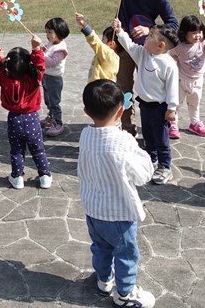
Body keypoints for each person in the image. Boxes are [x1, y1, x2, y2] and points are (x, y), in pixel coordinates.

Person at [67, 0, 178, 137]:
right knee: (123, 88)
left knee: (152, 90)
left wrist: (150, 29)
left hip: (148, 50)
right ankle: (128, 129)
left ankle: (167, 119)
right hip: (125, 46)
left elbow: (173, 23)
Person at [78, 80, 155, 308]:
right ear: (121, 111)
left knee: (100, 247)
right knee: (126, 254)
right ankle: (125, 295)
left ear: (86, 111)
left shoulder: (85, 135)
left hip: (93, 209)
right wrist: (137, 149)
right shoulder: (124, 141)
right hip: (118, 213)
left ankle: (104, 281)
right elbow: (143, 175)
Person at [113, 18, 179, 186]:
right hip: (144, 105)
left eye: (150, 37)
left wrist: (171, 109)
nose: (145, 39)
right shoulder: (142, 54)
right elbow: (129, 45)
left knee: (161, 138)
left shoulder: (169, 64)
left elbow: (172, 88)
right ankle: (151, 160)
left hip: (160, 108)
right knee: (148, 136)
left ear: (161, 45)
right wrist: (120, 31)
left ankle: (165, 166)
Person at [0, 37, 53, 190]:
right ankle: (45, 176)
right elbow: (40, 65)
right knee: (38, 149)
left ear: (8, 66)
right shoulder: (34, 78)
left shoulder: (4, 78)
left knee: (17, 150)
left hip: (14, 119)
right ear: (28, 65)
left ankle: (17, 177)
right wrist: (36, 49)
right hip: (32, 118)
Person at [167, 16, 205, 138]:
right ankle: (172, 123)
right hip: (180, 80)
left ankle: (195, 123)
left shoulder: (203, 44)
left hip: (197, 80)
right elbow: (171, 56)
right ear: (184, 33)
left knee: (194, 103)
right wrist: (173, 68)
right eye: (193, 32)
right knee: (176, 103)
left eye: (200, 32)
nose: (198, 35)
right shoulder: (179, 46)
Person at [41, 17, 70, 137]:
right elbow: (47, 51)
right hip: (46, 76)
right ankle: (50, 117)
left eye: (50, 32)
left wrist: (40, 52)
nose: (47, 35)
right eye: (46, 31)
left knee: (54, 102)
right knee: (48, 100)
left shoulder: (61, 49)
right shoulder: (52, 43)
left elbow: (52, 62)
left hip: (54, 79)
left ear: (59, 32)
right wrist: (43, 49)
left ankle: (58, 123)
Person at [75, 12, 121, 83]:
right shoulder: (109, 55)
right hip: (99, 88)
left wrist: (83, 24)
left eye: (103, 39)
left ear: (111, 44)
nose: (101, 41)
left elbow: (95, 41)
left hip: (101, 90)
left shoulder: (109, 54)